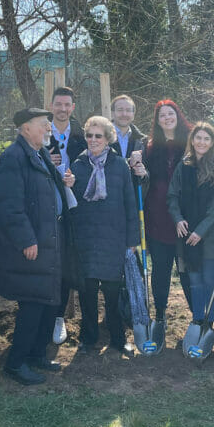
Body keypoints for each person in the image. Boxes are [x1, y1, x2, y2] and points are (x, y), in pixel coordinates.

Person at [0, 107, 76, 385]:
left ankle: (37, 354)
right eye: (43, 124)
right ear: (26, 127)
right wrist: (26, 239)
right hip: (35, 243)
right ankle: (16, 363)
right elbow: (9, 205)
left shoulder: (38, 153)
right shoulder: (13, 157)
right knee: (32, 304)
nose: (48, 129)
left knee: (48, 301)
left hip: (51, 239)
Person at [69, 116, 141, 354]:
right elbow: (70, 204)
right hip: (86, 239)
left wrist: (132, 240)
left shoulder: (120, 165)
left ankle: (118, 339)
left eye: (98, 136)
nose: (93, 140)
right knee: (87, 293)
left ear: (108, 138)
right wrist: (66, 186)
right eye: (89, 135)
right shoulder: (77, 165)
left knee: (112, 293)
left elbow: (130, 204)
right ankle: (88, 338)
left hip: (113, 239)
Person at [168, 122, 214, 334]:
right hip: (186, 233)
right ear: (192, 140)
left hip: (210, 234)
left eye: (206, 139)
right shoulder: (183, 166)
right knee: (193, 278)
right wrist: (177, 218)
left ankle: (209, 323)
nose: (201, 142)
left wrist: (200, 231)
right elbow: (172, 195)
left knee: (208, 279)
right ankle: (197, 319)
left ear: (212, 142)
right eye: (198, 138)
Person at [141, 99, 192, 331]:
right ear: (157, 120)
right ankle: (160, 314)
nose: (167, 118)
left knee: (187, 271)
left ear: (178, 115)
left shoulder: (191, 143)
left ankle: (197, 316)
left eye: (171, 113)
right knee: (160, 270)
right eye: (162, 115)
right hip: (158, 218)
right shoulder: (149, 147)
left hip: (186, 219)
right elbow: (145, 180)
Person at [48, 87, 87, 342]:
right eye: (58, 104)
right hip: (46, 210)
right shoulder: (39, 133)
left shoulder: (84, 137)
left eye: (67, 105)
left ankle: (59, 317)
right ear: (52, 106)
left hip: (75, 211)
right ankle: (46, 315)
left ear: (73, 108)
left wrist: (76, 181)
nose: (63, 109)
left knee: (69, 264)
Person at [109, 94, 147, 162]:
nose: (124, 114)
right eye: (120, 110)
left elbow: (147, 169)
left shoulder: (142, 141)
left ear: (133, 114)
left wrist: (143, 172)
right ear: (112, 113)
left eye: (128, 110)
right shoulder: (99, 137)